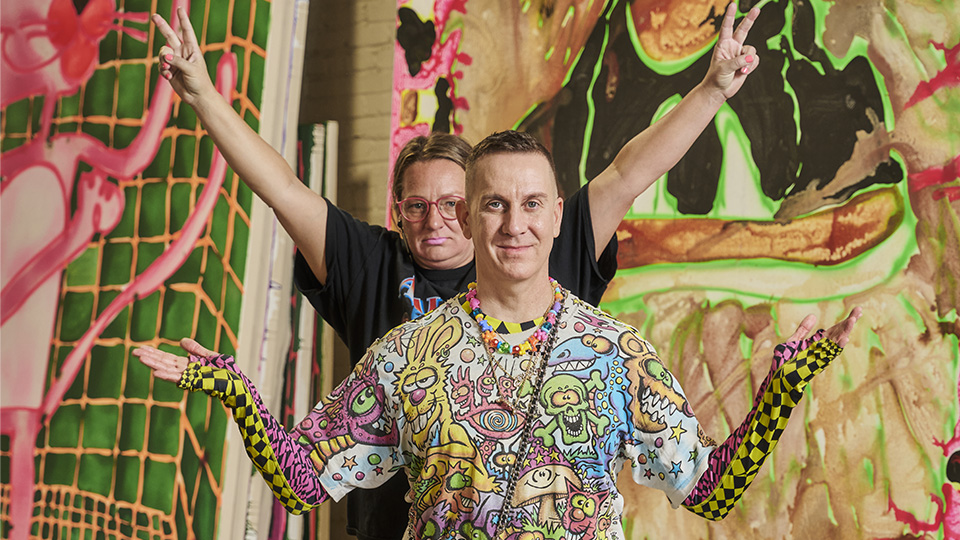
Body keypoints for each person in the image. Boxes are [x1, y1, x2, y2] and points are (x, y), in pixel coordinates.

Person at [151, 3, 762, 538]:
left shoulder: (597, 326)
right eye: (419, 207)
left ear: (547, 216)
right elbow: (282, 189)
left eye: (453, 204)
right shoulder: (387, 308)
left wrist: (712, 89)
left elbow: (631, 172)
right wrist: (204, 96)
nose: (439, 221)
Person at [135, 130, 863, 540]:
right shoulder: (406, 356)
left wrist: (784, 388)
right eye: (493, 204)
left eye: (531, 204)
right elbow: (300, 481)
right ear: (468, 218)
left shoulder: (617, 355)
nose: (514, 223)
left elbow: (705, 489)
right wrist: (228, 384)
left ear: (555, 217)